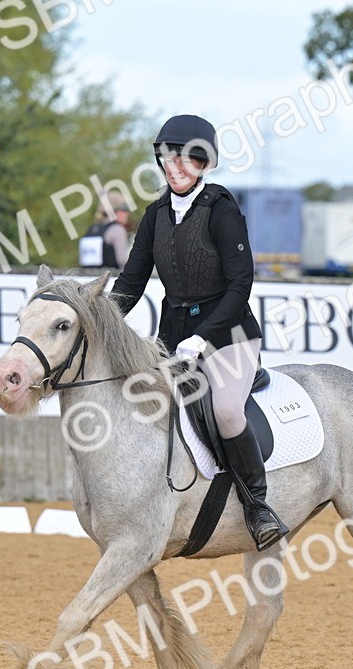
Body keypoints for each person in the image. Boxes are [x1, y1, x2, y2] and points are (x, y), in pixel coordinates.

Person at [110, 114, 288, 551]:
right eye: (168, 159)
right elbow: (131, 282)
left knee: (226, 410)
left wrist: (203, 337)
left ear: (205, 164)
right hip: (172, 337)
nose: (175, 168)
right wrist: (101, 318)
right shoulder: (155, 215)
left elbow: (240, 284)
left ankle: (258, 507)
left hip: (229, 334)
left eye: (187, 159)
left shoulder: (221, 210)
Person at [79, 191, 132, 271]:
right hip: (109, 277)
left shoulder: (91, 229)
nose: (127, 213)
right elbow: (122, 261)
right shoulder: (117, 229)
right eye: (123, 210)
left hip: (87, 277)